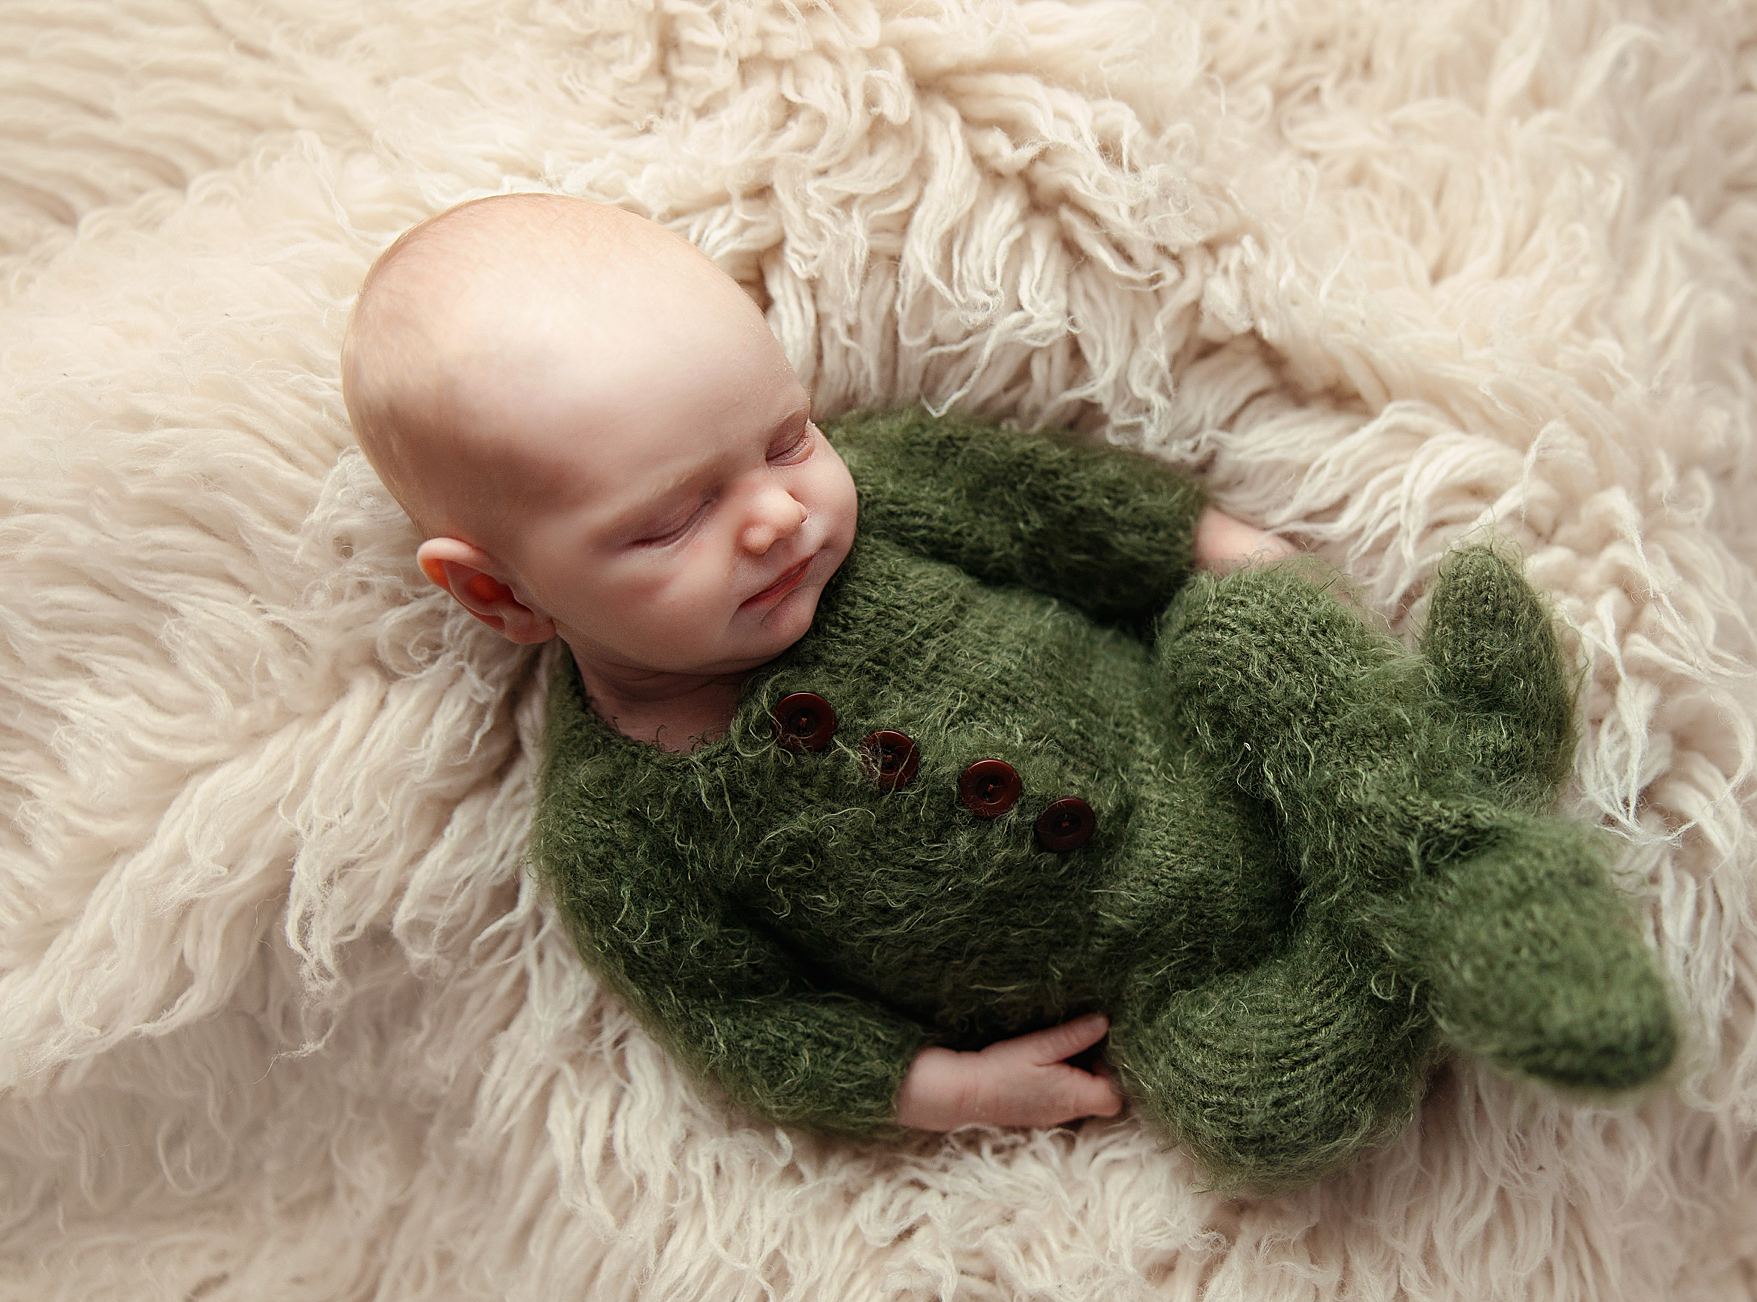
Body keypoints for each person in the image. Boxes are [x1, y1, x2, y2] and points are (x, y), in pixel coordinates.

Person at [339, 192, 1678, 1192]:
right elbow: (736, 1014)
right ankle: (1426, 851)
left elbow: (1062, 511)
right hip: (1169, 983)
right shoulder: (617, 827)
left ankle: (1448, 849)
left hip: (1215, 736)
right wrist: (939, 1088)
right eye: (672, 519)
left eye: (785, 439)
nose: (775, 516)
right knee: (1262, 1104)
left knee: (1256, 639)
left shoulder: (886, 497)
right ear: (501, 595)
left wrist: (1218, 548)